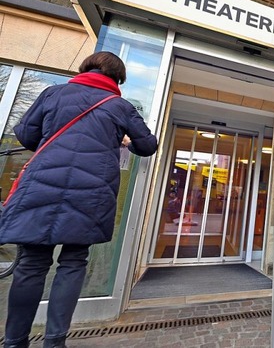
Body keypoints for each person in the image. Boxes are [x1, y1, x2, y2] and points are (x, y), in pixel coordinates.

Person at [0, 51, 158, 348]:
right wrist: (122, 140)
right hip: (91, 191)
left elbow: (24, 135)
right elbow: (148, 145)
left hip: (41, 186)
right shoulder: (120, 106)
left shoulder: (53, 94)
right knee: (73, 262)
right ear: (118, 78)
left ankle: (14, 341)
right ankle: (55, 342)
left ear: (85, 68)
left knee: (31, 264)